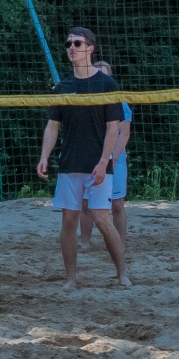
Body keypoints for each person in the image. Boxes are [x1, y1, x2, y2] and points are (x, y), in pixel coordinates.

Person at [37, 28, 129, 289]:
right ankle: (71, 278)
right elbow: (52, 126)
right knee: (69, 219)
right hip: (70, 163)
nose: (71, 47)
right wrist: (44, 156)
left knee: (102, 218)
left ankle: (122, 272)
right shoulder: (63, 87)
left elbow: (114, 127)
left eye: (77, 43)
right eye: (68, 43)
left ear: (90, 48)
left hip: (98, 163)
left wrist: (104, 162)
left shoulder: (106, 84)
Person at [76, 61, 133, 260]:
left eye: (104, 75)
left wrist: (112, 158)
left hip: (115, 157)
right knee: (86, 203)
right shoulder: (83, 100)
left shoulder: (120, 103)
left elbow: (123, 133)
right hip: (89, 156)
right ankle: (85, 242)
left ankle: (121, 243)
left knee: (117, 204)